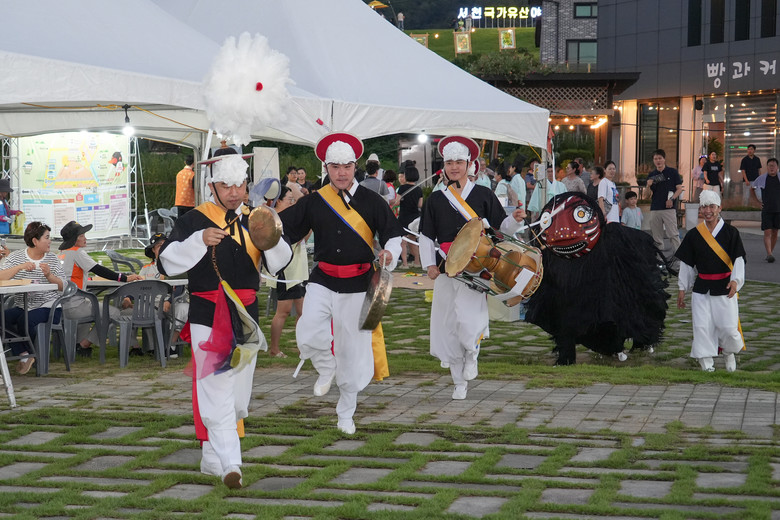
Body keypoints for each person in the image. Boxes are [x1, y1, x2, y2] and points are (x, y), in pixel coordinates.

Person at [158, 154, 291, 488]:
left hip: (247, 315)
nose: (234, 192)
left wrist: (269, 237)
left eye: (239, 185)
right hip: (208, 313)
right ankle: (232, 464)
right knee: (217, 388)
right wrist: (198, 240)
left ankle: (211, 456)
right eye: (226, 185)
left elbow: (280, 262)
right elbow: (166, 262)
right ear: (212, 186)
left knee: (238, 397)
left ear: (247, 185)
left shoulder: (257, 217)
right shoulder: (194, 219)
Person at [278, 132, 402, 435]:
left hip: (359, 284)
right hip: (322, 279)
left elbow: (393, 235)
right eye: (335, 167)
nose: (342, 173)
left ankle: (346, 412)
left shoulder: (372, 201)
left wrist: (390, 252)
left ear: (355, 165)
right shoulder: (315, 201)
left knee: (351, 351)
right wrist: (262, 232)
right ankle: (325, 366)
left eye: (347, 166)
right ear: (326, 168)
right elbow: (284, 230)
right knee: (308, 330)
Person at [419, 136, 526, 400]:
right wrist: (429, 264)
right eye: (449, 163)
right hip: (446, 267)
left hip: (477, 267)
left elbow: (500, 229)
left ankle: (472, 354)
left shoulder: (483, 195)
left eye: (459, 162)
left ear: (469, 164)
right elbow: (425, 235)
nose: (454, 167)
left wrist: (514, 220)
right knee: (448, 324)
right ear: (444, 166)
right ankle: (458, 382)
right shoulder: (436, 199)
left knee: (468, 320)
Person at [675, 189, 745, 373]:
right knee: (702, 326)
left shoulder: (731, 233)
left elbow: (738, 259)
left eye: (712, 207)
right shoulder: (693, 235)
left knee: (728, 327)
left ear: (719, 208)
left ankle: (729, 352)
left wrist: (736, 281)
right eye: (704, 207)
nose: (708, 211)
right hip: (701, 288)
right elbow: (687, 264)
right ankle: (706, 362)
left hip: (725, 287)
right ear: (700, 209)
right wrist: (682, 288)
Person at [58, 220, 143, 357]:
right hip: (75, 305)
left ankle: (78, 346)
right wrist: (124, 278)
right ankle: (84, 345)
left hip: (61, 305)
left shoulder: (61, 252)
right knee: (113, 312)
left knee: (91, 305)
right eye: (81, 236)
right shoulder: (77, 252)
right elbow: (98, 269)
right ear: (74, 239)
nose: (85, 238)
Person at [0, 221, 66, 375]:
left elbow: (64, 286)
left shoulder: (52, 259)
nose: (50, 241)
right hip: (22, 305)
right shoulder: (16, 257)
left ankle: (31, 354)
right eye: (47, 237)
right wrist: (19, 267)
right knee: (2, 318)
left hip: (49, 306)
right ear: (35, 241)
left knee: (25, 320)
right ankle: (24, 353)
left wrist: (49, 275)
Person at [266, 186, 308, 358]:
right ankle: (274, 349)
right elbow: (293, 241)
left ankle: (302, 347)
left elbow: (303, 238)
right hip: (285, 270)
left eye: (293, 200)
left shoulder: (289, 217)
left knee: (303, 311)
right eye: (289, 199)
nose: (292, 203)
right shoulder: (275, 220)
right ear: (278, 201)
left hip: (297, 268)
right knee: (283, 311)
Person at [139, 232, 189, 358]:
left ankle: (171, 346)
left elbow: (180, 287)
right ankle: (150, 347)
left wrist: (169, 300)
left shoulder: (178, 265)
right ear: (153, 250)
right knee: (138, 310)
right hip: (152, 303)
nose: (162, 248)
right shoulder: (146, 269)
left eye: (165, 245)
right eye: (158, 246)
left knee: (183, 309)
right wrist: (128, 298)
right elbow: (138, 287)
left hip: (174, 301)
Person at [646, 149, 683, 254]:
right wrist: (648, 185)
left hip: (669, 209)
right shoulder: (652, 175)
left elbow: (679, 189)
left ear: (664, 159)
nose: (658, 161)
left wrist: (672, 199)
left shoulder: (672, 172)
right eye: (655, 159)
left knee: (673, 234)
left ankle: (680, 258)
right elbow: (647, 195)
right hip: (655, 208)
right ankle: (660, 259)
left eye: (660, 158)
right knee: (657, 237)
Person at [753, 157, 780, 262]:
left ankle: (770, 253)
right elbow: (752, 188)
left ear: (777, 167)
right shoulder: (761, 178)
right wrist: (757, 202)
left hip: (778, 210)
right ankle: (769, 254)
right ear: (767, 167)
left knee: (775, 232)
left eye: (774, 166)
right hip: (767, 209)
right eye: (770, 166)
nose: (772, 168)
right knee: (767, 232)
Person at [396, 165, 423, 268]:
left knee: (403, 241)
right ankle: (417, 262)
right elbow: (420, 204)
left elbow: (397, 202)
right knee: (413, 240)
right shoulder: (418, 189)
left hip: (404, 216)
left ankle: (405, 263)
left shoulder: (402, 188)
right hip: (415, 217)